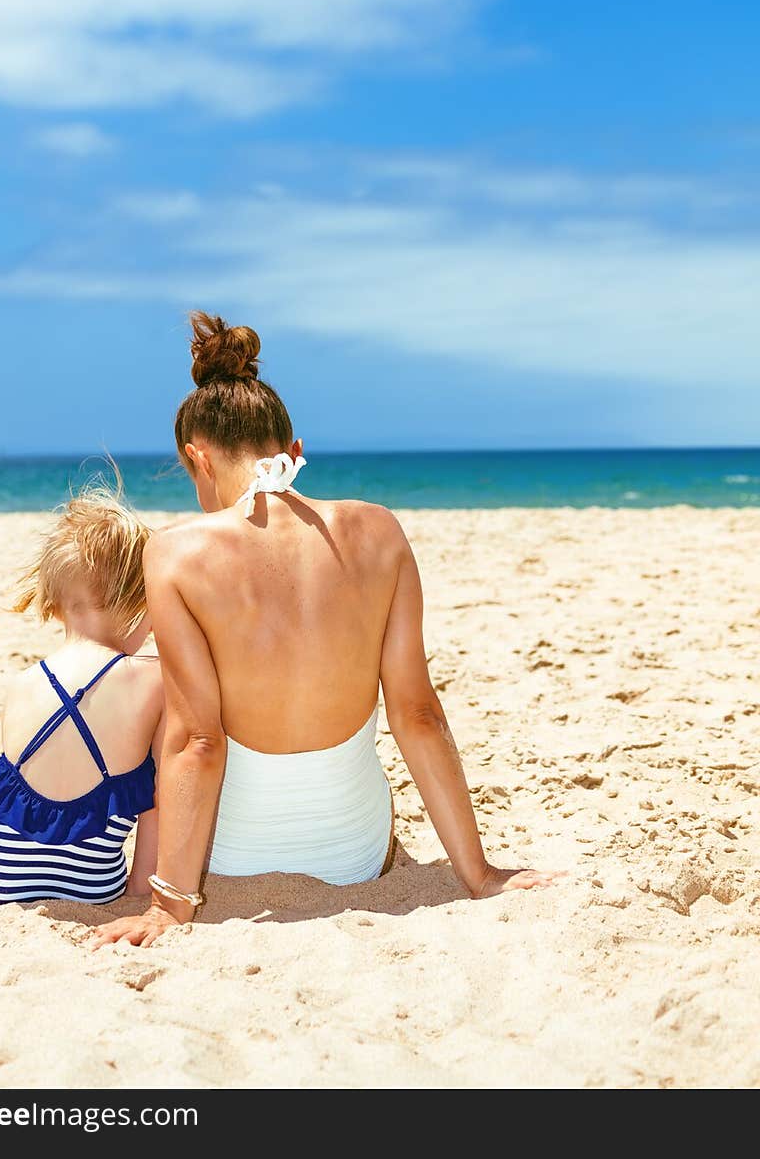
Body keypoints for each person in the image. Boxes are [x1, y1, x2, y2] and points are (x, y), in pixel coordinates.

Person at [94, 314, 561, 948]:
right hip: (355, 855)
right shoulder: (380, 530)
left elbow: (197, 742)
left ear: (195, 457)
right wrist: (478, 876)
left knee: (157, 697)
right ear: (294, 450)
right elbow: (418, 713)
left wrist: (171, 907)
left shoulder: (176, 553)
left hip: (225, 854)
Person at [0, 477, 168, 905]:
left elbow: (33, 783)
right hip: (95, 886)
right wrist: (139, 891)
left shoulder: (21, 685)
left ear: (54, 600)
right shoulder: (154, 682)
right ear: (135, 603)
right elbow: (155, 804)